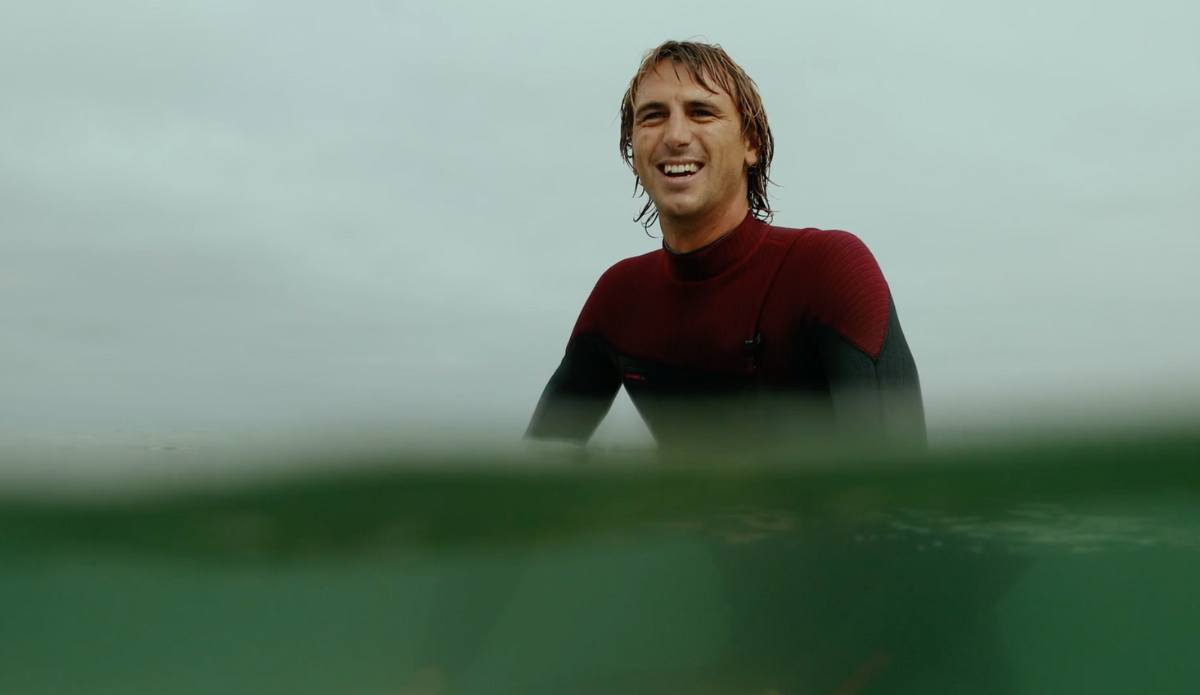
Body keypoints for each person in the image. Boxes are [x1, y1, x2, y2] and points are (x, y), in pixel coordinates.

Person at [527, 40, 924, 449]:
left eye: (702, 112)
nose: (676, 135)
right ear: (633, 151)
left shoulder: (829, 270)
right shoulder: (620, 297)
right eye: (653, 116)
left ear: (750, 144)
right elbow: (534, 477)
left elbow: (898, 483)